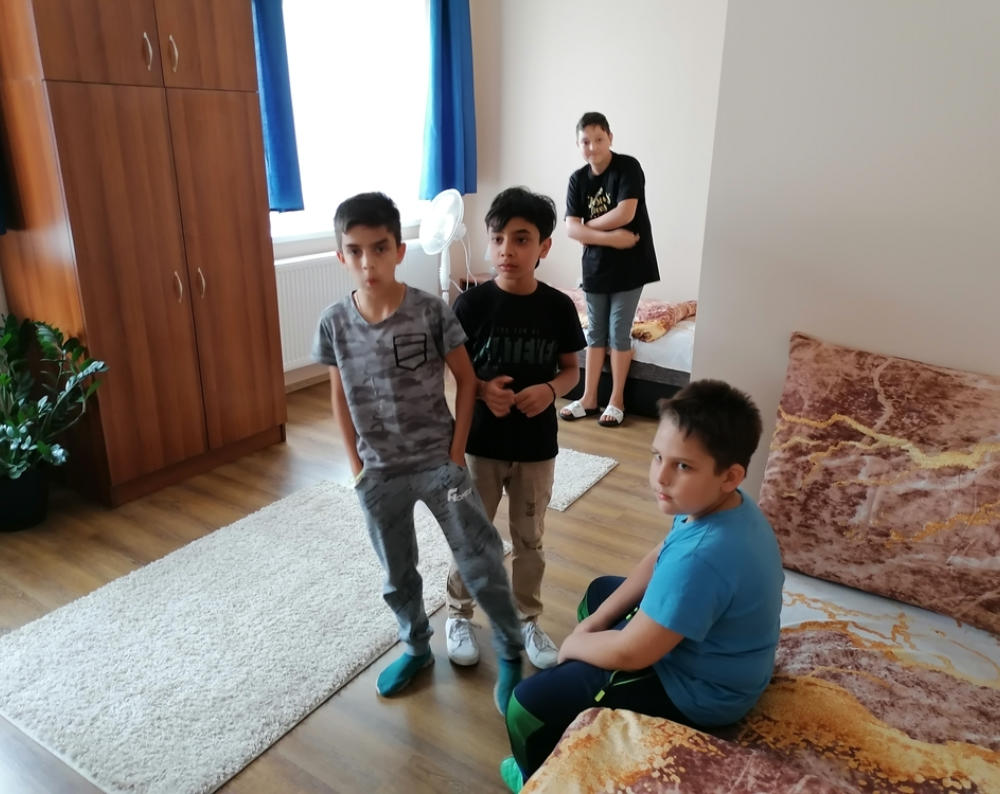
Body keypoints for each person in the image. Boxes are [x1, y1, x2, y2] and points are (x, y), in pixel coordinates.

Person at [499, 379, 785, 792]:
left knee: (526, 706)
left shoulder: (704, 556)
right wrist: (597, 621)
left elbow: (634, 652)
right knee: (600, 594)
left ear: (730, 475)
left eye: (682, 466)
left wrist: (575, 645)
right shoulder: (720, 504)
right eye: (658, 457)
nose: (660, 477)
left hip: (699, 692)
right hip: (715, 653)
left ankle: (538, 779)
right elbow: (660, 555)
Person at [312, 192, 524, 713]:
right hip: (378, 474)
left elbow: (467, 381)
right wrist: (356, 468)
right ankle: (416, 648)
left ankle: (509, 650)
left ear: (399, 251)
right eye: (355, 251)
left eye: (379, 248)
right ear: (341, 256)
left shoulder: (430, 311)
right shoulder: (334, 323)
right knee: (397, 571)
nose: (368, 262)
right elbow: (338, 397)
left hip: (438, 465)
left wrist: (455, 455)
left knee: (479, 556)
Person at [444, 187, 587, 671]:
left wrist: (549, 391)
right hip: (480, 444)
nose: (507, 249)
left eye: (521, 239)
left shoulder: (558, 307)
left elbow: (572, 371)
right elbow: (456, 373)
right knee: (473, 535)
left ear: (544, 246)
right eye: (498, 238)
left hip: (535, 449)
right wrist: (483, 390)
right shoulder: (470, 306)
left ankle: (528, 619)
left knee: (530, 540)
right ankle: (459, 613)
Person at [561, 111, 659, 429]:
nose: (592, 147)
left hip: (631, 265)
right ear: (578, 144)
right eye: (585, 142)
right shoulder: (577, 180)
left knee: (618, 330)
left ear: (610, 138)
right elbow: (570, 229)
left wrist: (587, 228)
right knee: (595, 332)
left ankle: (616, 400)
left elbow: (625, 213)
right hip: (595, 268)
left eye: (598, 139)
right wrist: (610, 238)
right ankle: (589, 398)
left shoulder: (627, 167)